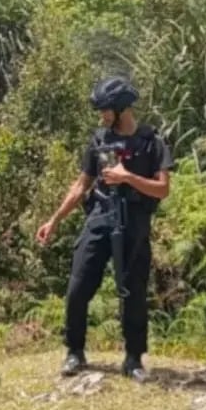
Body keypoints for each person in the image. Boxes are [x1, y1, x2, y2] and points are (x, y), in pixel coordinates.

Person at [35, 77, 173, 383]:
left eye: (105, 110)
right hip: (100, 217)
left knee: (133, 291)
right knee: (78, 285)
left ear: (121, 108)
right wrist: (54, 220)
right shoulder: (99, 140)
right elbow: (81, 185)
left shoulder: (152, 142)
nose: (101, 116)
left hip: (135, 222)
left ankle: (133, 358)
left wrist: (127, 177)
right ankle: (75, 351)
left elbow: (163, 189)